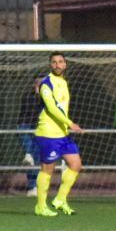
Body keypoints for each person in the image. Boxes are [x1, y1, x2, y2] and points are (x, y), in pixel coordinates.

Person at [33, 52, 84, 217]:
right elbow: (52, 108)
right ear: (50, 64)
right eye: (54, 62)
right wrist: (71, 123)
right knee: (47, 169)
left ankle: (60, 199)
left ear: (65, 65)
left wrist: (66, 126)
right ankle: (40, 206)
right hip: (48, 132)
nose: (57, 65)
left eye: (60, 62)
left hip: (62, 133)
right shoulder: (46, 84)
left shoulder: (63, 82)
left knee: (75, 164)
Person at [17, 77, 43, 196]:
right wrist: (37, 93)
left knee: (36, 158)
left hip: (40, 128)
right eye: (37, 83)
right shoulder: (27, 96)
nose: (39, 85)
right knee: (30, 157)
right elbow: (30, 108)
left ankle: (33, 187)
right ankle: (28, 154)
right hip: (25, 125)